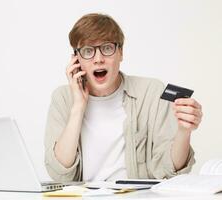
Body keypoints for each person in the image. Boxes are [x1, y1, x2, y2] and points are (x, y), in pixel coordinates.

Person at [44, 13, 202, 182]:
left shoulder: (151, 92)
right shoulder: (62, 98)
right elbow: (60, 174)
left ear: (120, 53)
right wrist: (78, 107)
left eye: (107, 48)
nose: (98, 59)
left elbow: (170, 171)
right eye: (88, 51)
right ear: (76, 59)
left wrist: (184, 132)